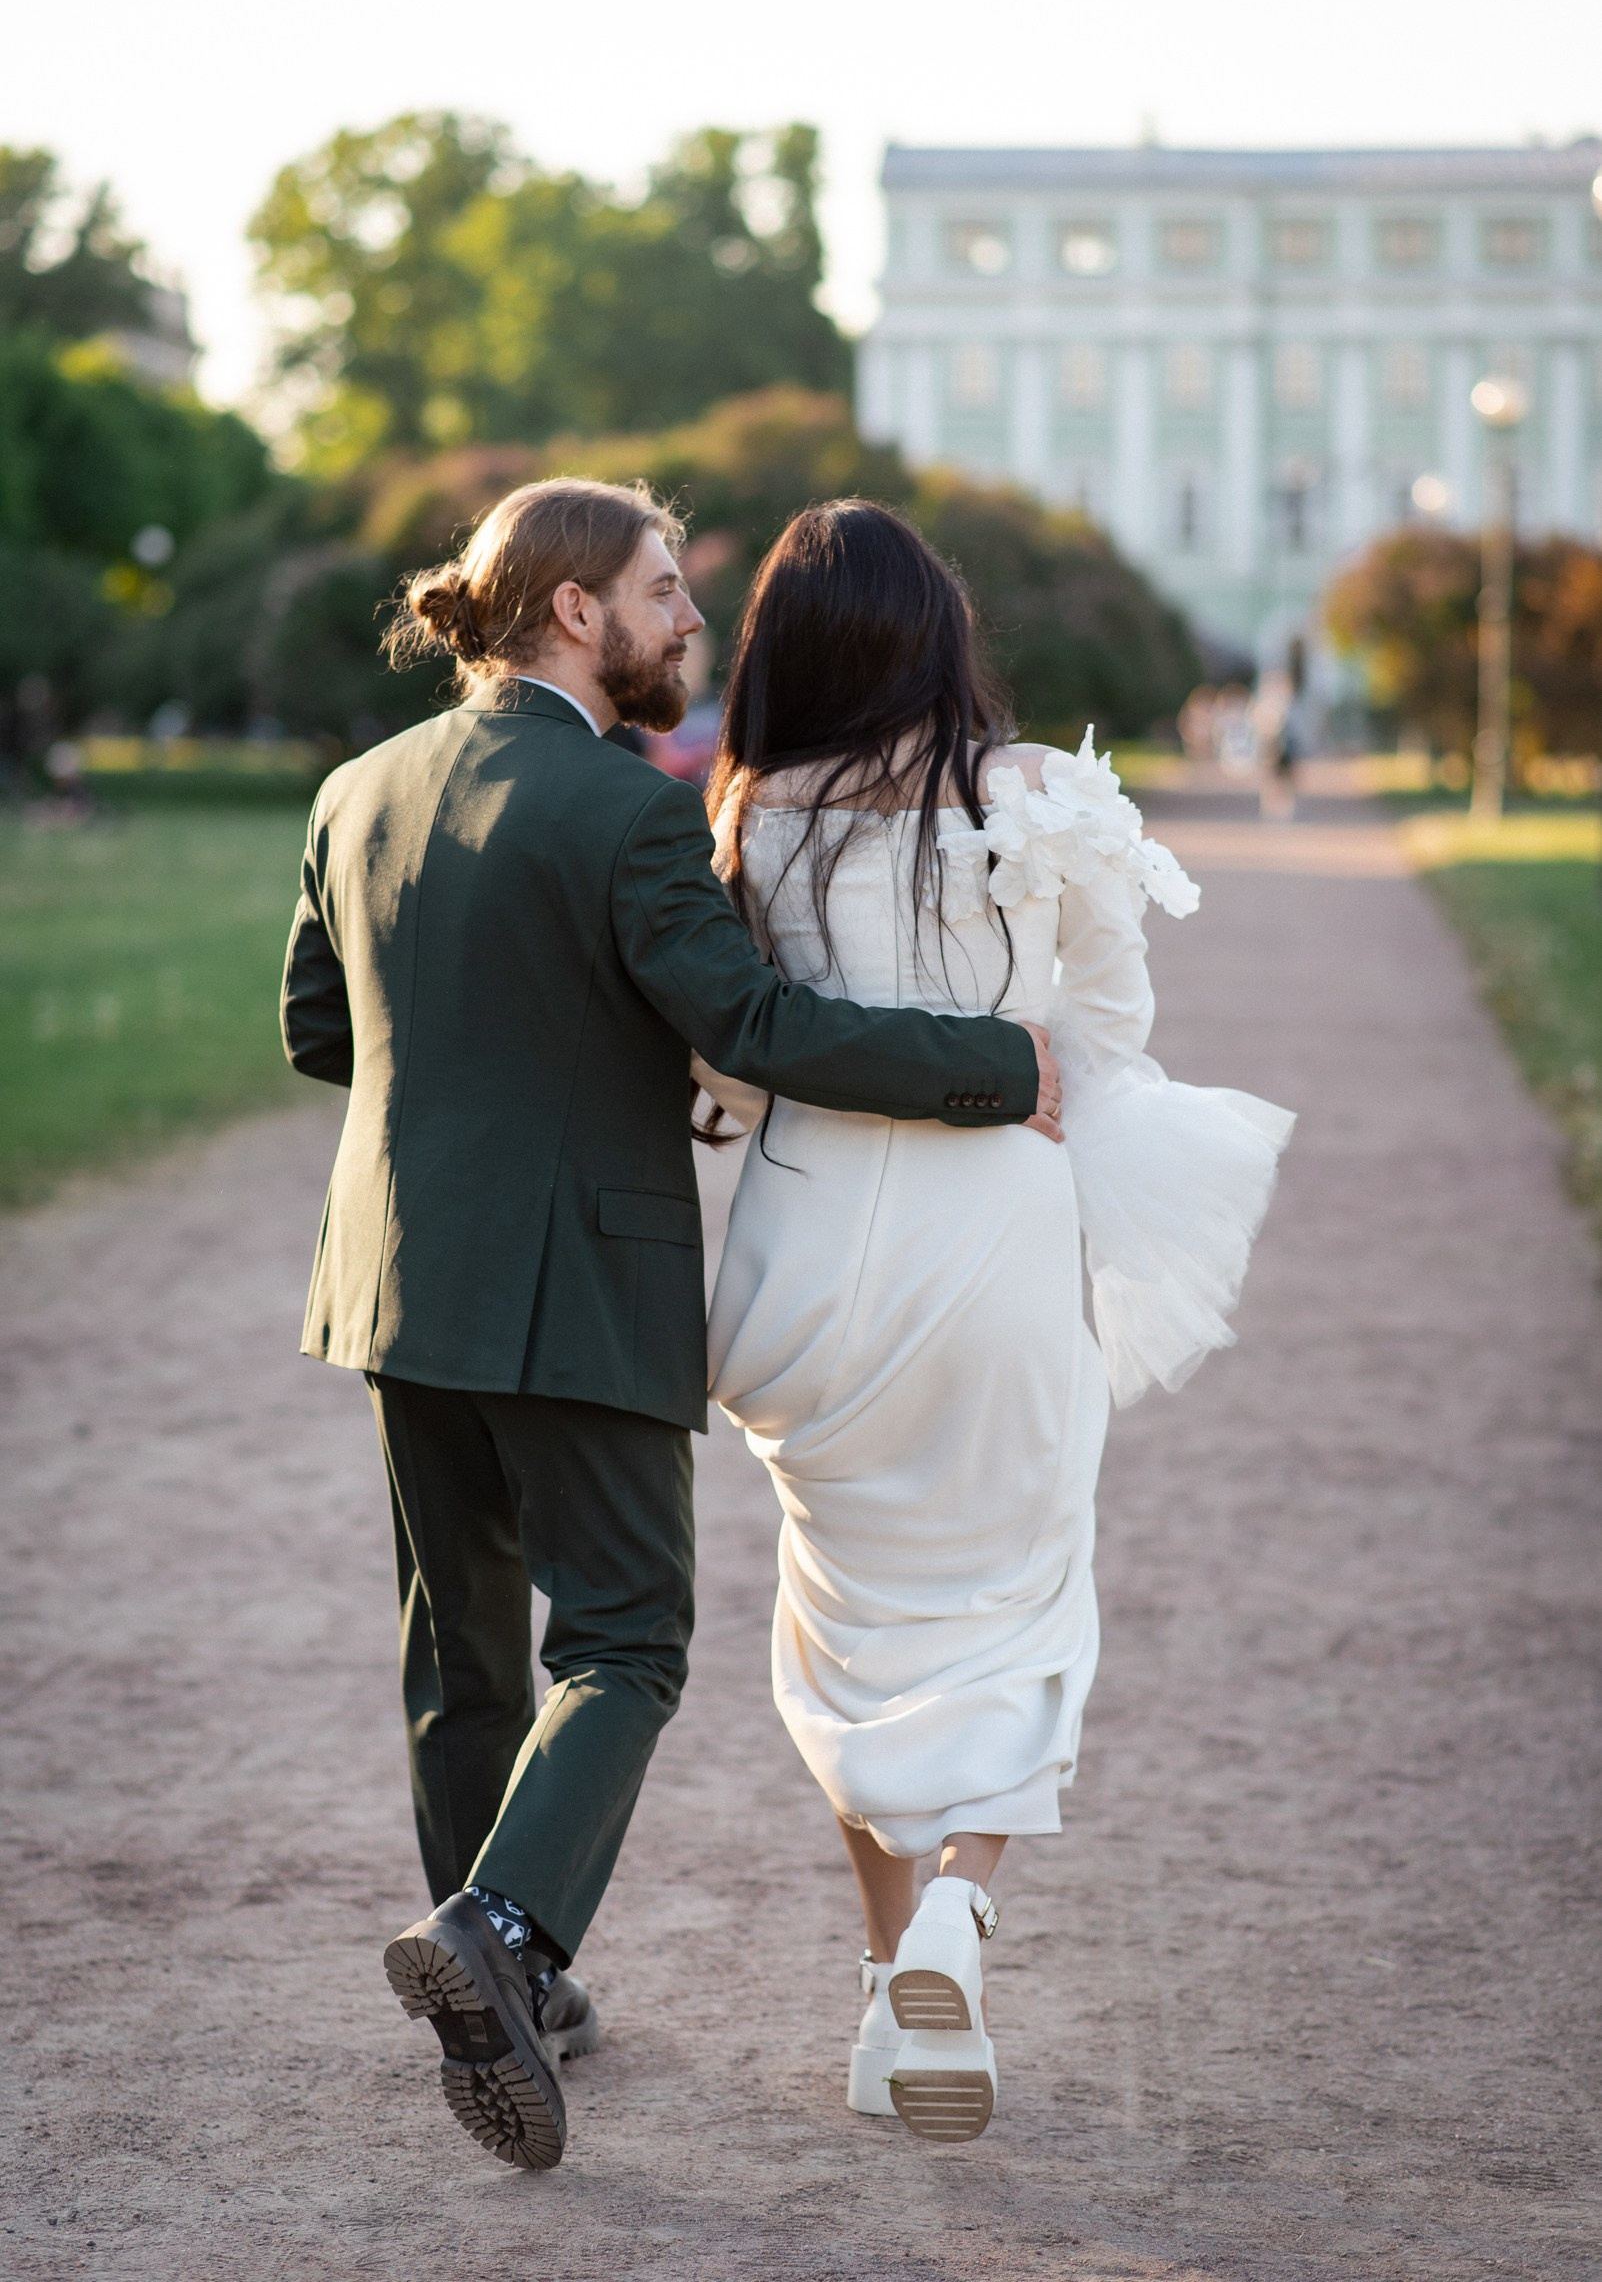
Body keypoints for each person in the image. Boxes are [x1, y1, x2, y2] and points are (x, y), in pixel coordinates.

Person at [278, 478, 1063, 2173]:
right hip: (579, 1280)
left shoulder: (357, 791)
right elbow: (754, 1021)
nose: (688, 624)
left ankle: (503, 1970)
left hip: (394, 1278)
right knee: (623, 1640)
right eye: (662, 592)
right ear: (575, 611)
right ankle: (503, 1938)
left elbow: (317, 1034)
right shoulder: (626, 810)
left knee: (460, 1651)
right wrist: (998, 1071)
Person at [699, 502, 1294, 2142]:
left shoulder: (744, 820)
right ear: (940, 635)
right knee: (1024, 1601)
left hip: (802, 1261)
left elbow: (727, 1061)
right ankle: (963, 1902)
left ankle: (894, 2002)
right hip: (993, 1243)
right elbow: (1103, 1024)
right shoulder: (1035, 799)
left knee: (846, 1625)